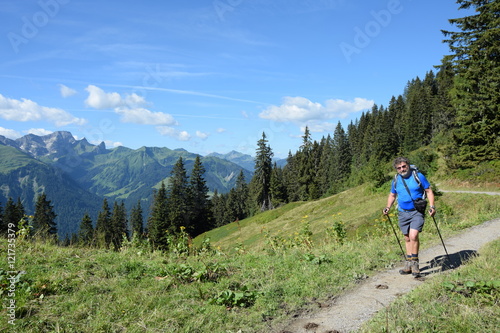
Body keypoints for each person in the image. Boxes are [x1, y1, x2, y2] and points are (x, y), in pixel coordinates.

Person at [383, 157, 436, 277]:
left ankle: (415, 264)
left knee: (413, 235)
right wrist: (388, 207)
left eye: (404, 166)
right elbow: (392, 195)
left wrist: (432, 206)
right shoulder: (396, 179)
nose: (402, 169)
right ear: (396, 169)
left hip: (417, 211)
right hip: (402, 212)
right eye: (399, 168)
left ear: (408, 165)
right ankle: (408, 264)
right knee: (407, 238)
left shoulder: (418, 176)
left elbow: (428, 191)